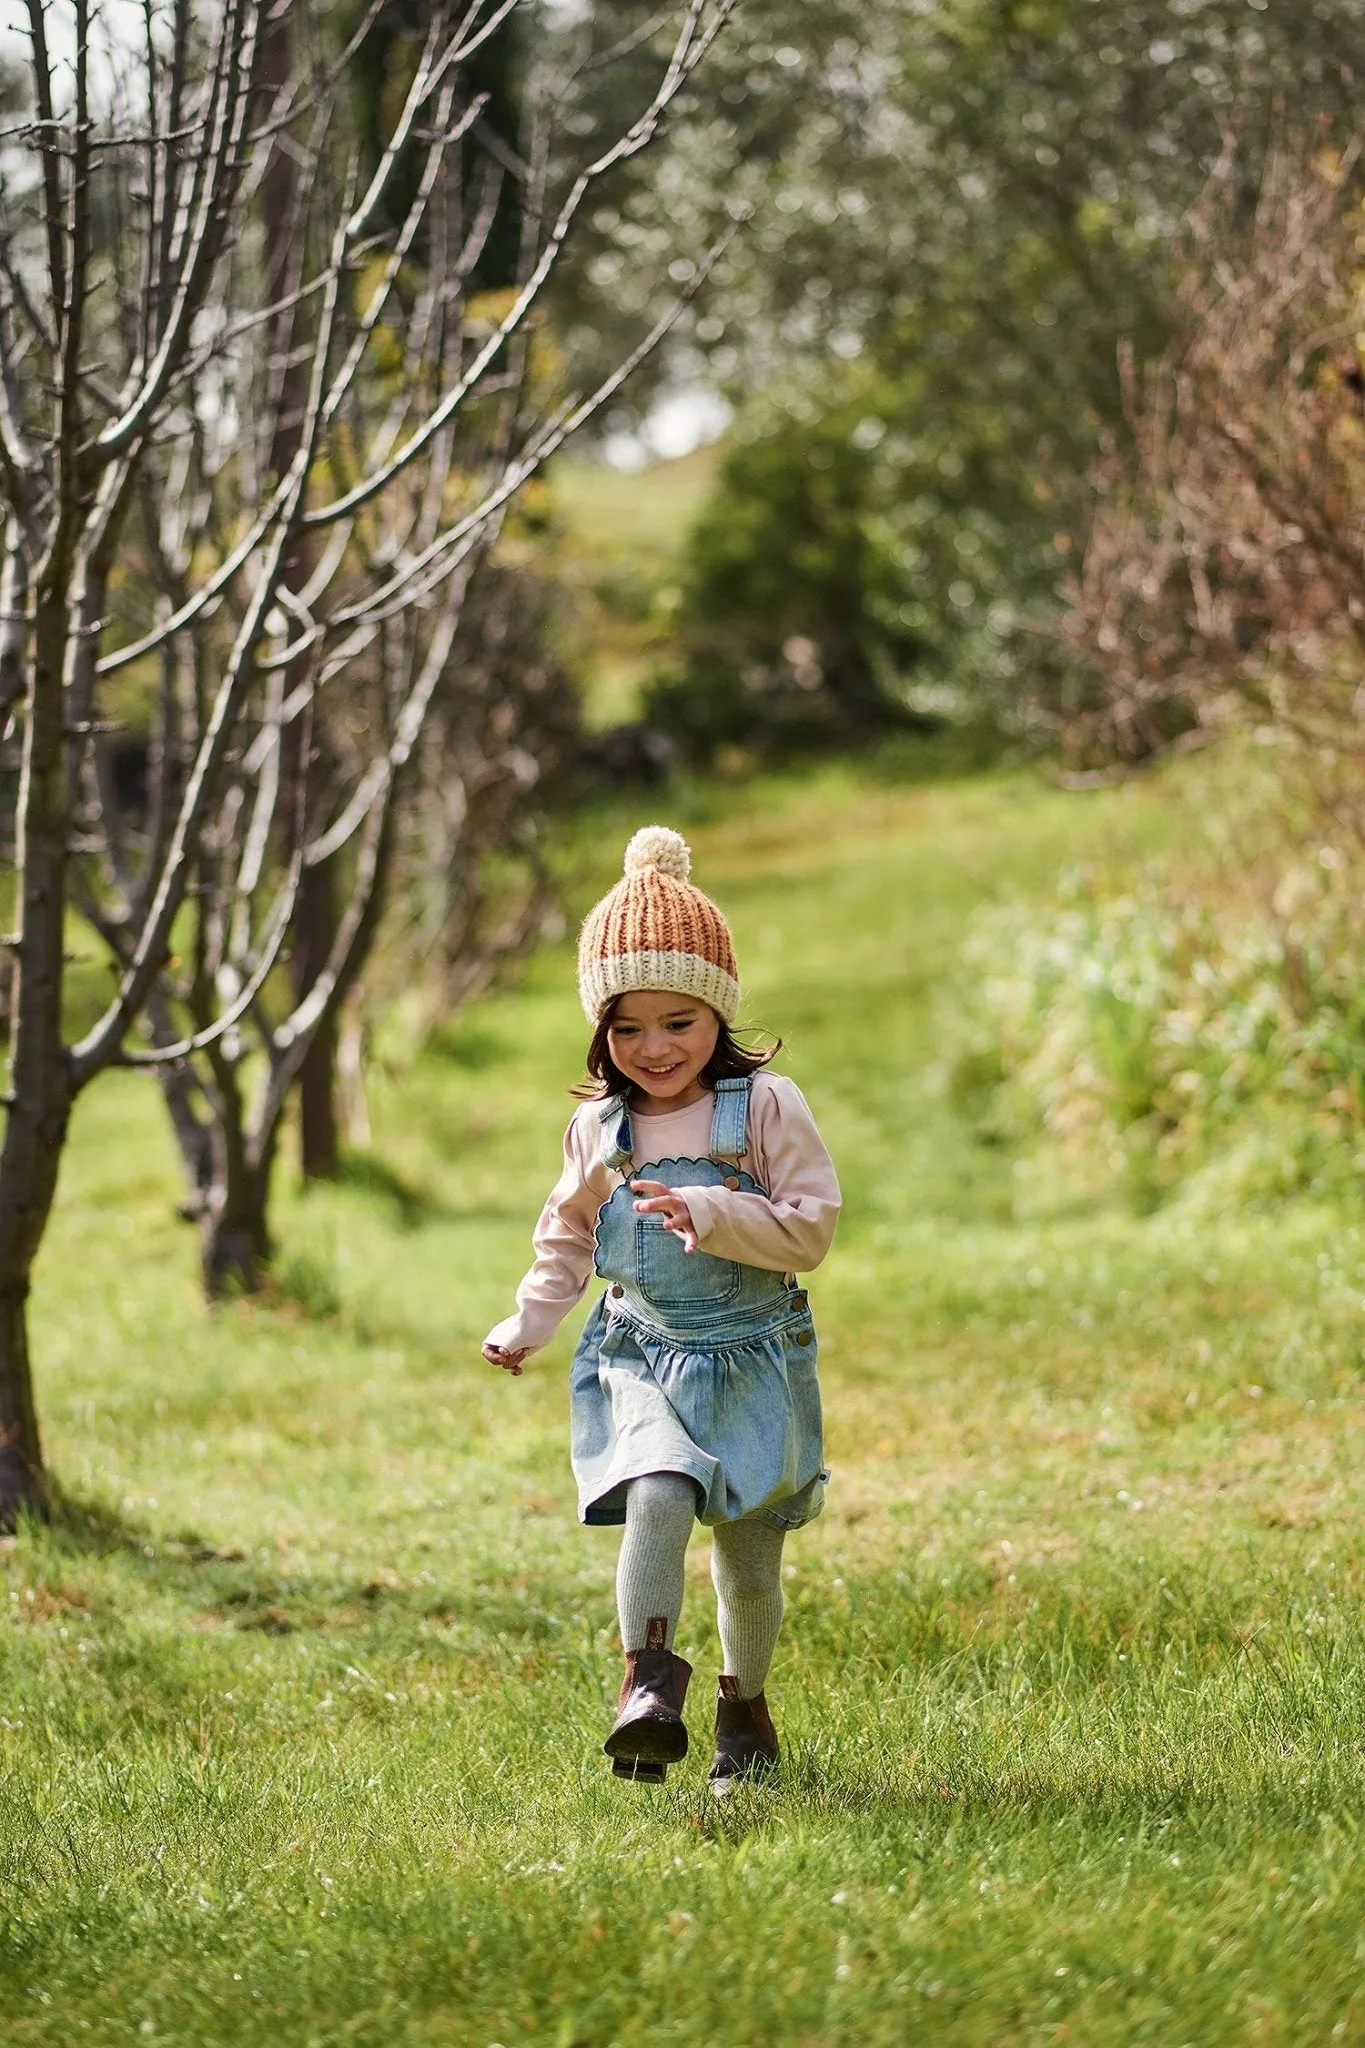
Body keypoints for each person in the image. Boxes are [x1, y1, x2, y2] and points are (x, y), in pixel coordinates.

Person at [482, 825, 841, 1790]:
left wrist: (716, 1212)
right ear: (600, 1030)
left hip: (753, 1354)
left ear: (717, 1017)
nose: (653, 1049)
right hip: (642, 1350)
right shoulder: (599, 1127)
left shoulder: (764, 1108)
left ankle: (744, 1710)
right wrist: (530, 1320)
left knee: (748, 1562)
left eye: (678, 1023)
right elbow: (565, 1236)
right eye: (626, 1027)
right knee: (656, 1491)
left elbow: (809, 1230)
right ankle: (646, 1683)